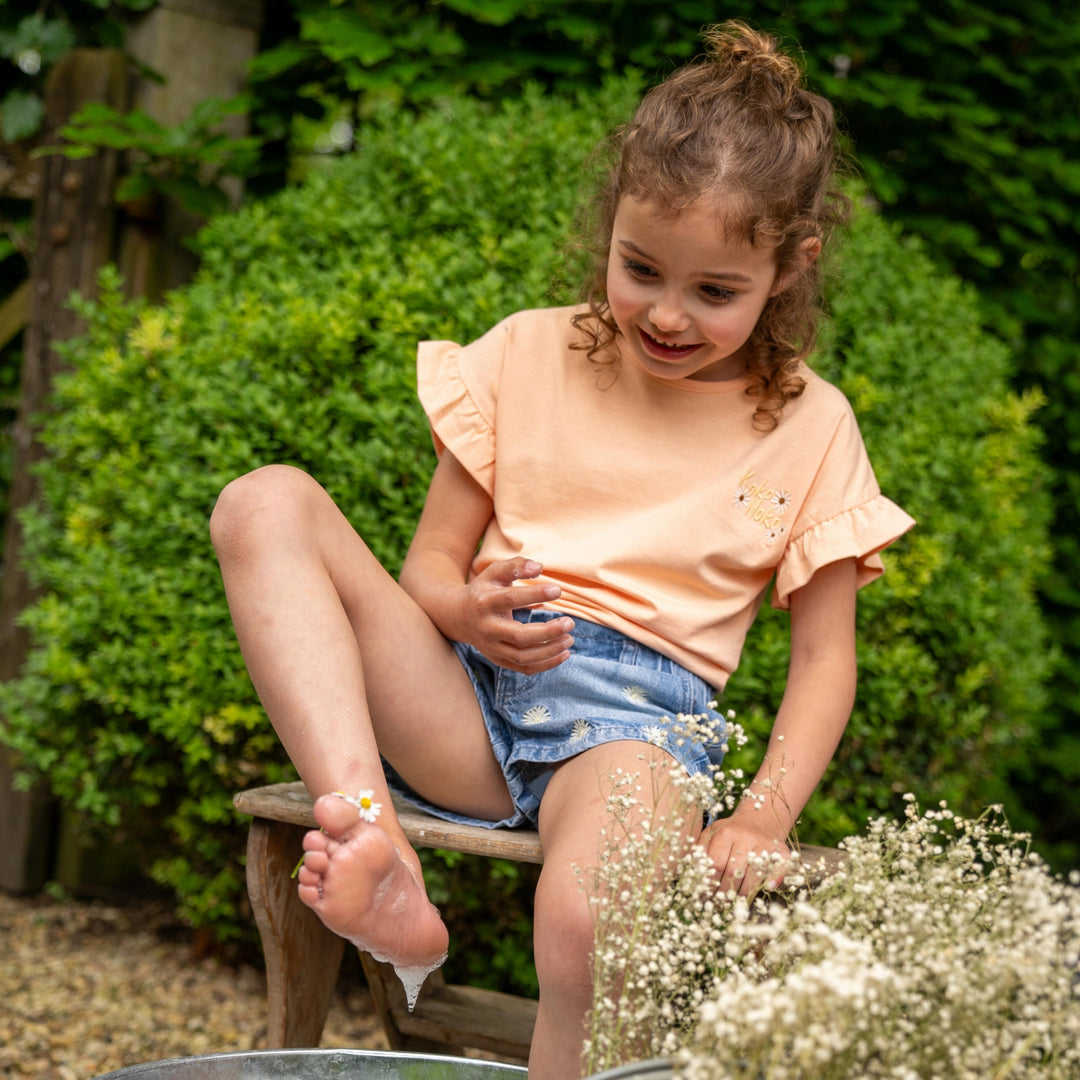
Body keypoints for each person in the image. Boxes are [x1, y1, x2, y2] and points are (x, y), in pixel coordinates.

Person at [210, 20, 914, 1078]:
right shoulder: (528, 352)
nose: (667, 315)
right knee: (263, 503)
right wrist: (463, 610)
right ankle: (372, 838)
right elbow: (427, 574)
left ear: (791, 267)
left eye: (714, 291)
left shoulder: (811, 425)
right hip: (468, 696)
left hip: (634, 737)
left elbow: (824, 659)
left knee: (587, 924)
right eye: (641, 269)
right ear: (610, 226)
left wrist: (763, 817)